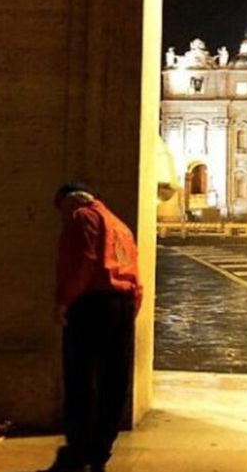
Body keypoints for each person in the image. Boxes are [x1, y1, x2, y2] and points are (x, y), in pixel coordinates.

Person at [41, 183, 143, 472]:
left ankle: (77, 451)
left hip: (91, 303)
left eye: (61, 209)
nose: (63, 218)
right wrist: (131, 308)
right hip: (121, 304)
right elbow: (135, 273)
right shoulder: (119, 225)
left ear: (72, 201)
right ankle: (100, 451)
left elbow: (83, 262)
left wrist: (64, 301)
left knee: (80, 378)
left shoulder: (83, 217)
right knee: (114, 380)